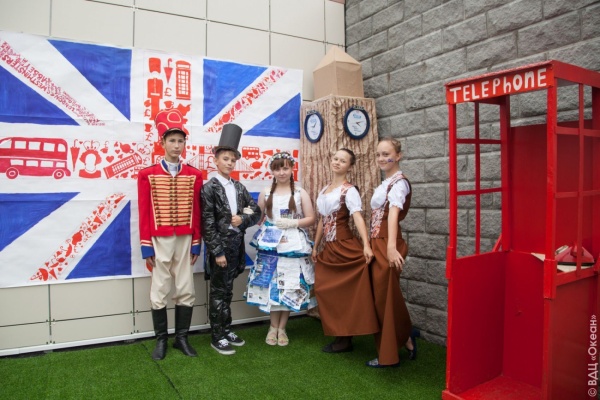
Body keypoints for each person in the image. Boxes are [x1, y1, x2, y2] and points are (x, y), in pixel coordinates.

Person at [137, 109, 203, 360]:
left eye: (180, 141)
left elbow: (197, 210)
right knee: (159, 289)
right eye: (172, 140)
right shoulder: (147, 174)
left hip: (185, 238)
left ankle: (181, 339)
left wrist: (196, 242)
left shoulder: (195, 175)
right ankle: (161, 341)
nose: (177, 145)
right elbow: (144, 211)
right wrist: (146, 245)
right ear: (162, 142)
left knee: (186, 287)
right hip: (159, 239)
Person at [201, 123, 261, 356]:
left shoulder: (239, 187)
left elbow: (255, 211)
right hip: (221, 249)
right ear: (216, 160)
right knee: (218, 292)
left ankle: (226, 329)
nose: (229, 163)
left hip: (237, 246)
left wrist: (242, 220)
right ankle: (217, 335)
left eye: (233, 160)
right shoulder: (209, 188)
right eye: (225, 159)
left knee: (228, 291)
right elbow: (207, 223)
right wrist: (217, 252)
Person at [312, 149, 379, 353]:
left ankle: (345, 338)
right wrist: (316, 245)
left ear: (350, 166)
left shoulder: (349, 190)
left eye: (343, 161)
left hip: (344, 245)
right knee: (325, 289)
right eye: (335, 159)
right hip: (330, 248)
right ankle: (341, 335)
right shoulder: (325, 189)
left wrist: (366, 245)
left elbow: (357, 216)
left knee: (347, 292)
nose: (337, 162)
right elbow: (322, 220)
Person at [246, 152, 316, 346]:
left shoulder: (300, 193)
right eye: (277, 169)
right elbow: (257, 217)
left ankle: (282, 328)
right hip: (269, 245)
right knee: (272, 283)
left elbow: (311, 218)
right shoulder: (266, 192)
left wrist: (293, 223)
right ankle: (272, 327)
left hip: (293, 244)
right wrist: (245, 214)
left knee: (290, 283)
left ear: (292, 168)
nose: (282, 172)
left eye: (285, 168)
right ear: (272, 171)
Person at [366, 136, 418, 368]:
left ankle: (389, 353)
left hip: (388, 243)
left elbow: (394, 214)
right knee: (382, 297)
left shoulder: (399, 183)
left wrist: (390, 247)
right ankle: (405, 335)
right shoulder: (387, 182)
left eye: (386, 154)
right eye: (378, 154)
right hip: (378, 241)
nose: (381, 158)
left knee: (385, 298)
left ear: (398, 156)